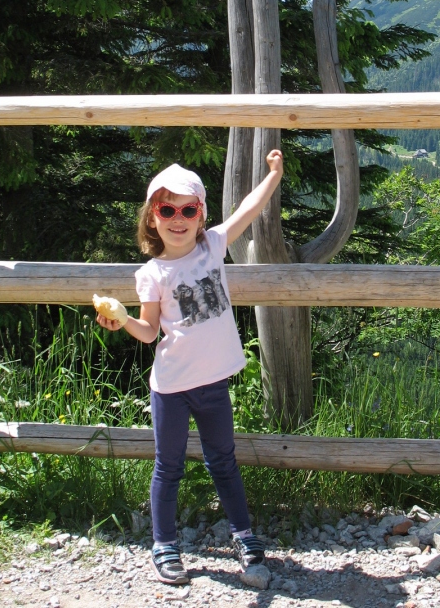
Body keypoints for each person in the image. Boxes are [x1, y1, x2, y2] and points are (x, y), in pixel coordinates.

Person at [94, 150, 284, 585]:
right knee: (169, 465)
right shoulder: (153, 273)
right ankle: (164, 544)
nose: (177, 219)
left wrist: (273, 176)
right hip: (171, 387)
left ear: (200, 215)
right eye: (166, 210)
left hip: (213, 382)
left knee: (224, 461)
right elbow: (148, 331)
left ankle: (244, 535)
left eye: (187, 210)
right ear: (152, 218)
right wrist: (121, 320)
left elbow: (248, 209)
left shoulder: (214, 245)